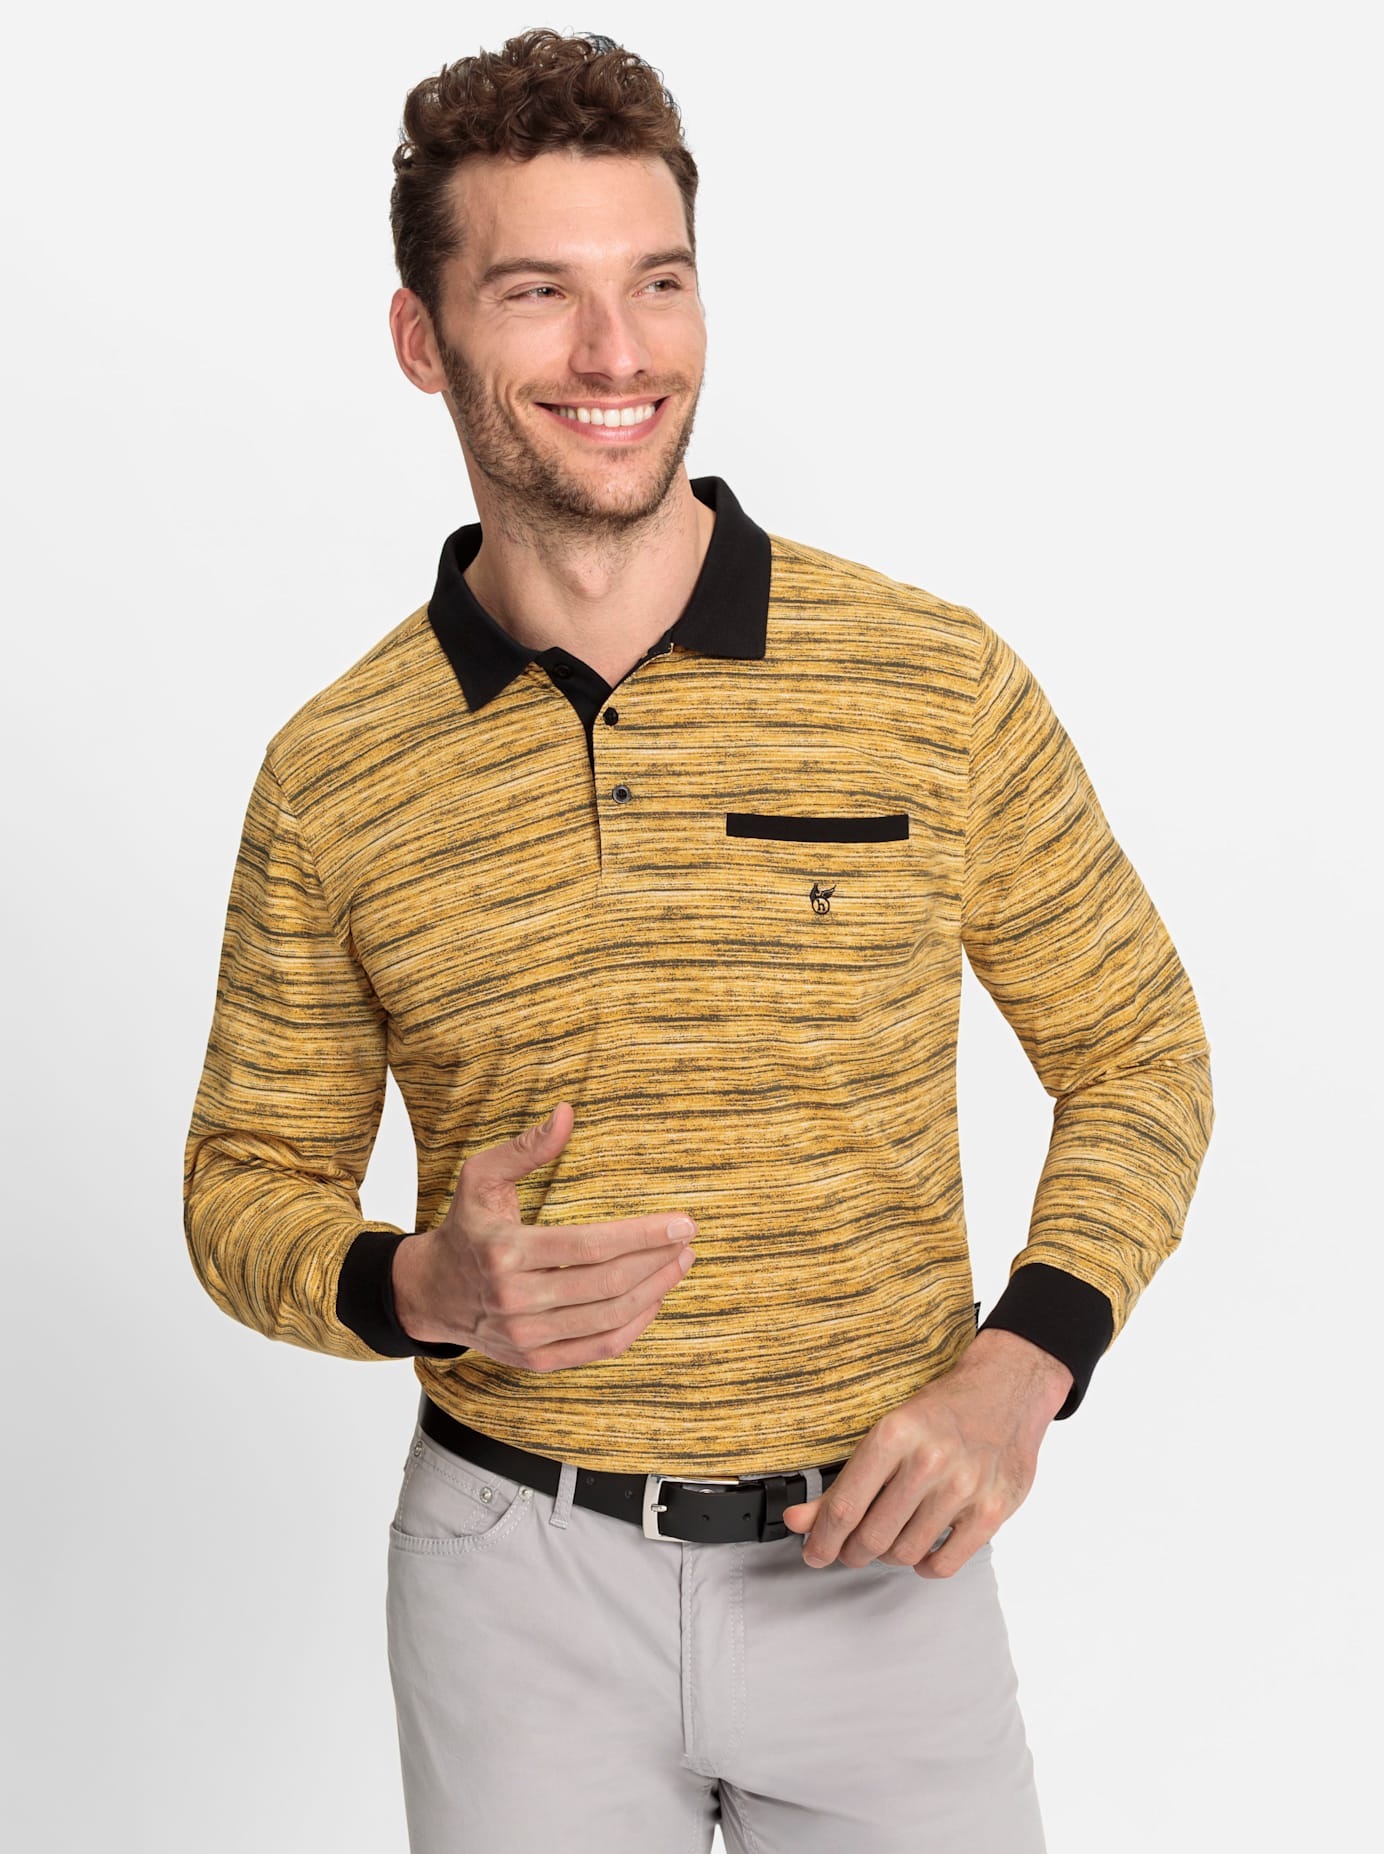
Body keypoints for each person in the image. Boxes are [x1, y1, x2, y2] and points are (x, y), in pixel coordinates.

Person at [182, 27, 1214, 1854]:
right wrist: (421, 1286)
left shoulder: (929, 679)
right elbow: (243, 1180)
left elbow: (1140, 1053)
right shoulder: (335, 769)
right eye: (539, 292)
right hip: (516, 1580)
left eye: (657, 282)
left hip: (879, 1568)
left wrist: (1022, 1365)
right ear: (422, 336)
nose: (618, 352)